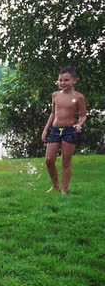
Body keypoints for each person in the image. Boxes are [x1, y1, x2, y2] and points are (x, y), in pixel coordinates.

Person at [41, 66, 87, 195]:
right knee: (49, 160)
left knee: (65, 162)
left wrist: (79, 124)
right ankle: (55, 185)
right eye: (60, 80)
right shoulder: (55, 95)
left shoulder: (79, 97)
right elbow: (52, 114)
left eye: (66, 80)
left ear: (74, 81)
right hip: (56, 130)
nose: (63, 83)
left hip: (69, 131)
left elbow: (83, 115)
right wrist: (46, 130)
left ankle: (64, 190)